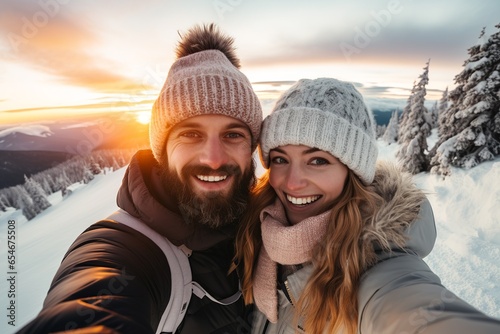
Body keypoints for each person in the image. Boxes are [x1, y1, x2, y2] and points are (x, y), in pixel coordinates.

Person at [17, 23, 262, 334]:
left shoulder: (265, 227)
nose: (213, 158)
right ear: (163, 151)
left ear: (251, 147)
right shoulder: (128, 250)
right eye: (190, 134)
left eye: (232, 134)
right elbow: (94, 297)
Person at [234, 77, 500, 333]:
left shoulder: (379, 260)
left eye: (317, 161)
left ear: (352, 172)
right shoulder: (258, 231)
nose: (292, 183)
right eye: (281, 159)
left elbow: (410, 309)